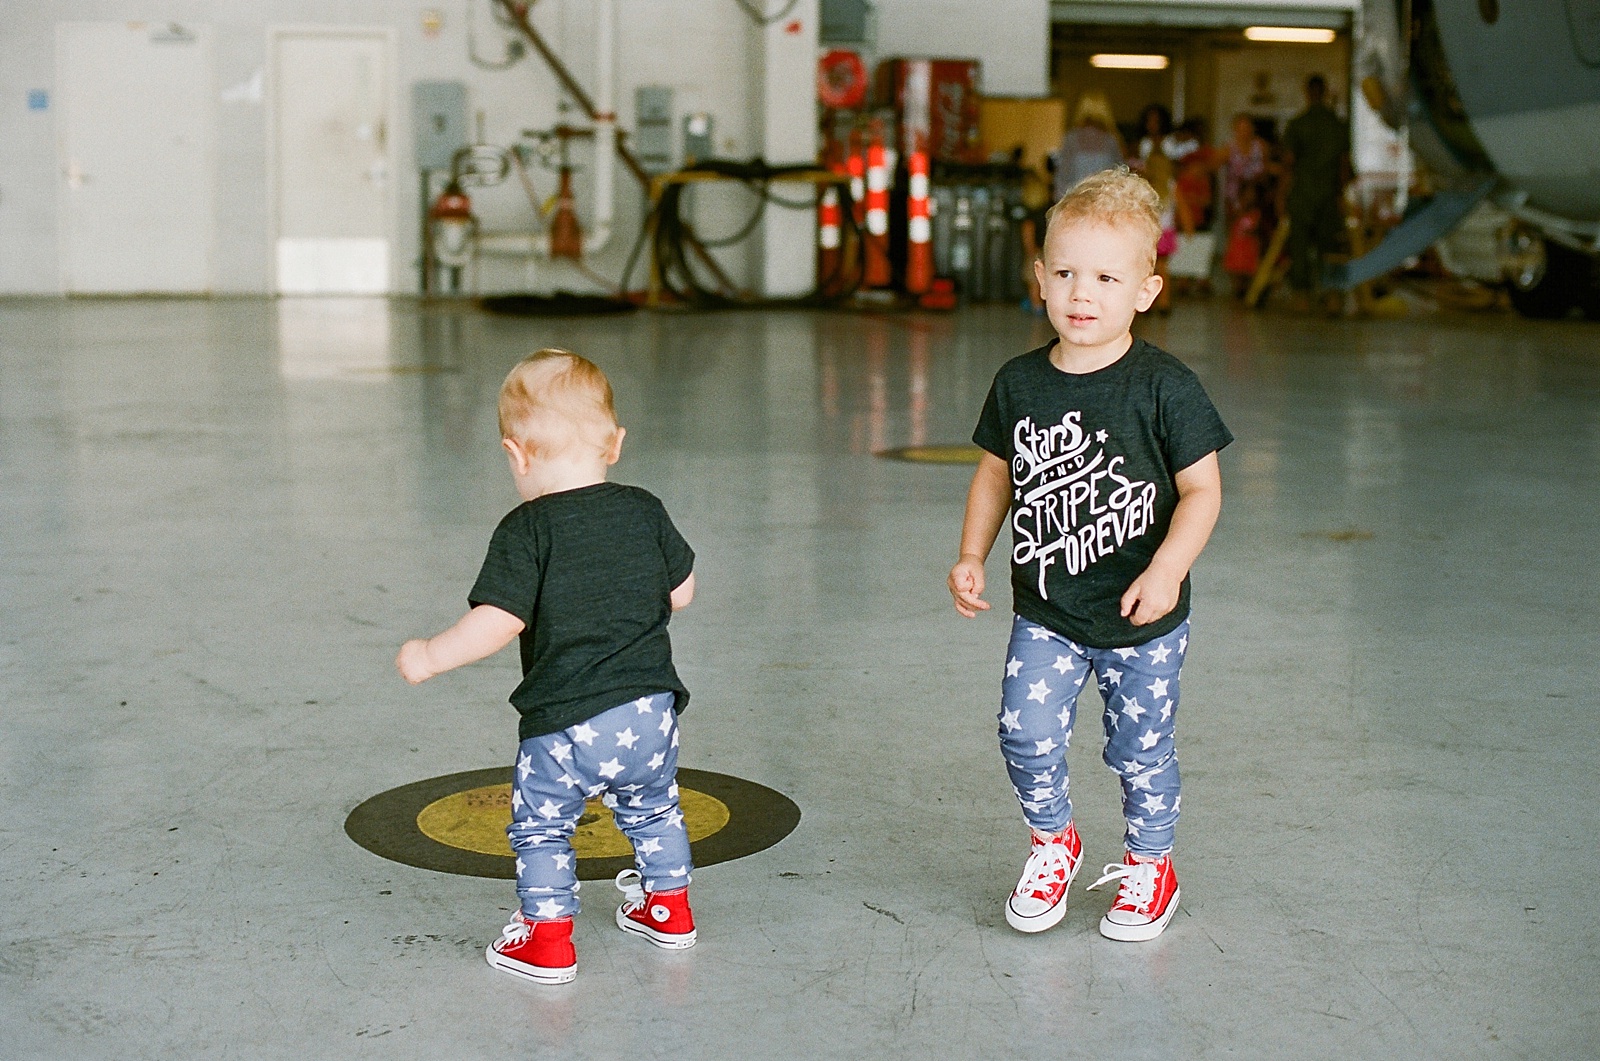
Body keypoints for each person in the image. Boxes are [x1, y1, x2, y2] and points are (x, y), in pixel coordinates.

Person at [947, 167, 1232, 942]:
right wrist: (973, 550)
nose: (1083, 292)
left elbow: (1203, 490)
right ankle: (1053, 841)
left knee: (1139, 748)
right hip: (1047, 609)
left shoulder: (1164, 387)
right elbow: (996, 472)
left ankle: (1151, 862)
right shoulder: (1020, 383)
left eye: (1107, 276)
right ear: (1039, 277)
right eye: (1066, 272)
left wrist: (1167, 568)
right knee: (1024, 731)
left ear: (1146, 289)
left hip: (1143, 616)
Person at [397, 349, 699, 985]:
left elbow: (498, 621)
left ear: (515, 454)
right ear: (614, 443)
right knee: (655, 807)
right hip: (651, 713)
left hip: (567, 725)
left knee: (541, 827)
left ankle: (547, 938)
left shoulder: (526, 530)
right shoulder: (644, 508)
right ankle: (669, 909)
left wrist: (429, 655)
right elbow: (682, 592)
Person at [1281, 75, 1350, 308]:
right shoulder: (1337, 124)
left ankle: (1301, 295)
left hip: (1303, 193)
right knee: (1330, 245)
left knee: (1299, 245)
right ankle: (1332, 295)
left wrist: (1281, 195)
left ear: (1307, 92)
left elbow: (1289, 163)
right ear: (1325, 91)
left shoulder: (1298, 124)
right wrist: (1341, 195)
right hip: (1329, 194)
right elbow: (1344, 165)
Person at [1051, 91, 1126, 201]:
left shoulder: (1071, 138)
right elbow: (1120, 175)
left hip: (1076, 202)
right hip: (1105, 202)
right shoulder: (1112, 140)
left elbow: (1062, 176)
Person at [1223, 180, 1263, 298]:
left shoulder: (1257, 212)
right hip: (1237, 245)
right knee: (1236, 269)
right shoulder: (1236, 209)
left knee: (1247, 271)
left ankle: (1247, 291)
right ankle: (1237, 290)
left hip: (1249, 246)